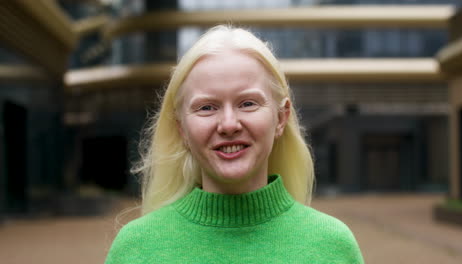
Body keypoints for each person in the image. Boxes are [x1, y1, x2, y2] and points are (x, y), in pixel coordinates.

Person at [105, 25, 364, 263]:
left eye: (248, 103)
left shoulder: (333, 247)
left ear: (281, 118)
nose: (229, 125)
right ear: (181, 128)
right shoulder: (134, 249)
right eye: (207, 107)